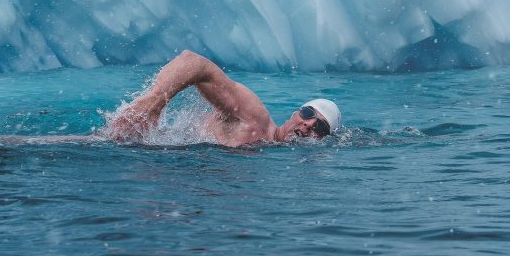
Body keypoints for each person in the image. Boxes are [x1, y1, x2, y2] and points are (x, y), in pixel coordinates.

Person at [105, 50, 340, 147]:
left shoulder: (267, 147)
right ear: (295, 113)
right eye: (309, 114)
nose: (309, 124)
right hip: (130, 147)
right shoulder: (255, 119)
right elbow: (194, 63)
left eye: (320, 126)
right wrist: (153, 104)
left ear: (323, 140)